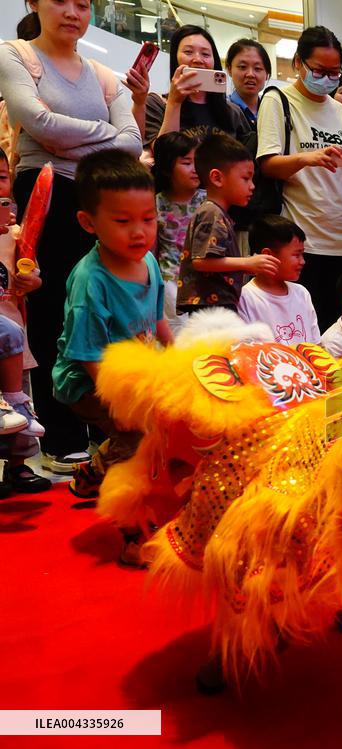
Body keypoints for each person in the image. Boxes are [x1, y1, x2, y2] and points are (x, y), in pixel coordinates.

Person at [1, 0, 142, 474]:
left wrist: (71, 138)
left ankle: (108, 425)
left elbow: (133, 142)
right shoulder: (16, 54)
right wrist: (103, 132)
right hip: (46, 192)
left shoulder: (102, 73)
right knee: (51, 311)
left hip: (100, 198)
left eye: (83, 4)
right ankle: (60, 435)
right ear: (33, 4)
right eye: (60, 0)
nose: (72, 12)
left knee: (105, 311)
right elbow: (38, 123)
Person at [52, 150, 171, 564]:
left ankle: (92, 471)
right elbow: (88, 355)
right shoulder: (91, 281)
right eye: (122, 222)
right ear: (89, 223)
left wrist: (179, 361)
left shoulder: (148, 261)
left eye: (149, 219)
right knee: (138, 442)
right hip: (88, 380)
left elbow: (157, 320)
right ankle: (133, 535)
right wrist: (123, 405)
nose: (139, 232)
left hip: (136, 371)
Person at [257, 26, 342, 330]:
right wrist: (308, 158)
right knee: (304, 328)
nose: (326, 79)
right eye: (319, 71)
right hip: (304, 238)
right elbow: (267, 163)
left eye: (334, 72)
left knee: (340, 333)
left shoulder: (341, 111)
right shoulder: (278, 100)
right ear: (298, 63)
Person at [176, 134, 273, 314]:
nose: (252, 186)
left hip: (217, 304)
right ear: (217, 178)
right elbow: (201, 261)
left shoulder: (217, 212)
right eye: (246, 178)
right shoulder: (211, 212)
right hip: (208, 307)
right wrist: (246, 263)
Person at [0, 146, 49, 496]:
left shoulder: (16, 233)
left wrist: (32, 280)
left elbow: (33, 272)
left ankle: (18, 465)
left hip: (14, 329)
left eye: (1, 178)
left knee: (19, 398)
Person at [142, 25, 250, 149]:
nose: (198, 59)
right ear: (175, 58)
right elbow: (164, 154)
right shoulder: (156, 104)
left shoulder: (232, 111)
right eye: (188, 52)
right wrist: (174, 102)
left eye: (205, 54)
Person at [237, 215, 320, 346]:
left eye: (302, 254)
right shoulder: (245, 298)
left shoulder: (302, 293)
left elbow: (316, 345)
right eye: (296, 255)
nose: (303, 261)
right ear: (268, 255)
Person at [152, 132, 204, 332]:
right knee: (178, 335)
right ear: (167, 168)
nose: (195, 169)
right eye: (187, 163)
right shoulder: (157, 203)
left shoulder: (208, 200)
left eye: (197, 161)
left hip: (204, 280)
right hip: (170, 280)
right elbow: (152, 250)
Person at [226, 38, 272, 129]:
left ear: (267, 74)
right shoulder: (222, 109)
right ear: (229, 70)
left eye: (257, 68)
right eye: (242, 67)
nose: (250, 74)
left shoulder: (272, 111)